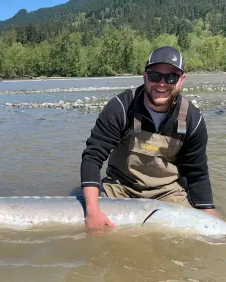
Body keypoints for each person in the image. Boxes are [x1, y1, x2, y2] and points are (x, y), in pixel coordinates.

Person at [80, 46, 218, 230]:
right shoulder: (121, 107)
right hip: (121, 187)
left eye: (171, 77)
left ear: (181, 80)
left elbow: (197, 172)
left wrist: (208, 211)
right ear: (145, 77)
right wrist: (92, 210)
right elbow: (92, 156)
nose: (162, 84)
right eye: (155, 76)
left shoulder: (193, 119)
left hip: (168, 192)